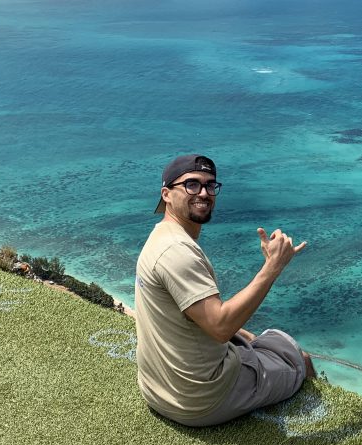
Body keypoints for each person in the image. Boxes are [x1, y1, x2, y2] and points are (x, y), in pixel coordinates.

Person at [134, 153, 314, 426]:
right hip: (203, 397)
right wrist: (273, 267)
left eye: (210, 185)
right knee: (301, 359)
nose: (203, 193)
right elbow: (220, 327)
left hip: (158, 389)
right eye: (191, 185)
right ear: (166, 194)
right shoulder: (177, 252)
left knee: (258, 339)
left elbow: (192, 318)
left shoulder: (161, 237)